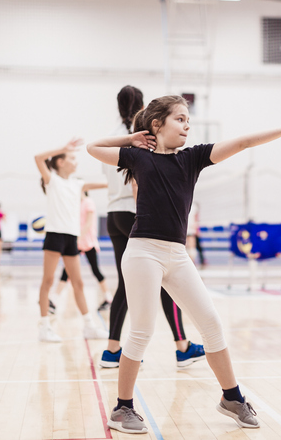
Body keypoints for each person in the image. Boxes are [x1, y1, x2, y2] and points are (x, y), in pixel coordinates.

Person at [87, 94, 281, 434]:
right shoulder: (138, 157)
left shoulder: (192, 158)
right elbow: (93, 148)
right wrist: (131, 138)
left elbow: (242, 143)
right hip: (143, 252)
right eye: (180, 119)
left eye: (187, 120)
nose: (186, 125)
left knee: (211, 323)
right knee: (142, 330)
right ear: (157, 125)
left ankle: (232, 397)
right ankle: (122, 408)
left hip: (177, 254)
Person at [100, 85, 205, 370]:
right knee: (165, 279)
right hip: (137, 215)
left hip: (112, 214)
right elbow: (138, 182)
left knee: (128, 282)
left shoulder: (115, 135)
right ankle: (182, 346)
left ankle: (112, 348)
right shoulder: (143, 138)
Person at [34, 139, 109, 342]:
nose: (75, 162)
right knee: (48, 281)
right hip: (54, 235)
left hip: (71, 237)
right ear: (60, 162)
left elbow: (107, 184)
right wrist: (62, 148)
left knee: (78, 283)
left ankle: (88, 326)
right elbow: (38, 158)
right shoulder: (52, 180)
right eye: (71, 158)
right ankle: (44, 327)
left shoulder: (77, 184)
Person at [56, 191, 112, 311]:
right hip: (77, 241)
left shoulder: (88, 202)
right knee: (66, 271)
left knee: (95, 270)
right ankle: (54, 301)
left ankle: (108, 298)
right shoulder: (76, 203)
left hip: (87, 241)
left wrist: (79, 238)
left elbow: (88, 223)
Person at [186, 202, 206, 266]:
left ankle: (191, 261)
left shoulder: (192, 206)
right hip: (190, 229)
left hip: (187, 228)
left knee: (188, 247)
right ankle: (191, 261)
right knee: (191, 247)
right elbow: (196, 219)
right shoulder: (194, 206)